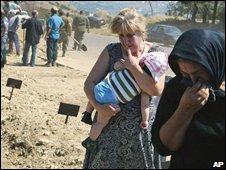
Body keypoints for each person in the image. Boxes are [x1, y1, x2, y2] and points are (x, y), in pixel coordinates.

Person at [82, 8, 166, 169]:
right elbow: (89, 84)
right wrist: (99, 107)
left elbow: (157, 90)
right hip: (109, 133)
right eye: (121, 35)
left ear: (142, 33)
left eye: (130, 35)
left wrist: (133, 66)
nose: (125, 41)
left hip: (141, 136)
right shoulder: (111, 51)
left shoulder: (156, 54)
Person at [151, 29, 225, 169]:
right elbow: (163, 147)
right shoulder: (177, 88)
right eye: (185, 74)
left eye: (198, 73)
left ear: (215, 64)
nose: (193, 81)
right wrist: (185, 110)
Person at [81, 51, 168, 146]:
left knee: (95, 94)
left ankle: (87, 113)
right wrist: (145, 120)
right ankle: (90, 141)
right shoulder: (145, 86)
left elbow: (116, 66)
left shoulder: (130, 66)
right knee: (100, 123)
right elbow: (145, 105)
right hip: (111, 100)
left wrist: (123, 64)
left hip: (103, 86)